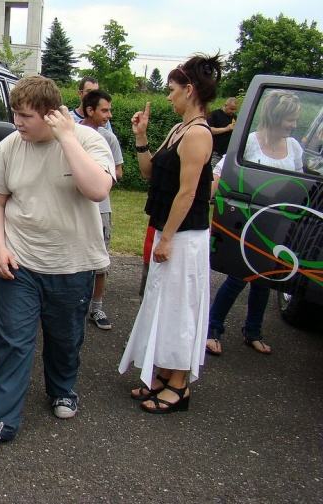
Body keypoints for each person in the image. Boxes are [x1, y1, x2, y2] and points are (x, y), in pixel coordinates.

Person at [0, 75, 115, 451]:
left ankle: (63, 389)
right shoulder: (10, 146)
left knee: (65, 339)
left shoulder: (88, 140)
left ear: (51, 115)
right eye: (15, 114)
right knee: (13, 344)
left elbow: (97, 189)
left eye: (26, 116)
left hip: (72, 265)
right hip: (21, 265)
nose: (17, 122)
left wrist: (67, 137)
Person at [118, 54, 221, 414]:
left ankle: (179, 386)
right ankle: (163, 374)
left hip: (184, 237)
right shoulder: (179, 129)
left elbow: (188, 193)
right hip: (169, 230)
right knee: (162, 303)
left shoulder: (197, 133)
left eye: (172, 90)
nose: (168, 97)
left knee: (178, 307)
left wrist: (166, 239)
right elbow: (150, 174)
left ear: (189, 90)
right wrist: (142, 137)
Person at [206, 90, 303, 356]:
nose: (294, 125)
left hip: (279, 227)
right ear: (275, 117)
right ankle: (213, 329)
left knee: (265, 281)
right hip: (250, 223)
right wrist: (206, 195)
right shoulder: (249, 143)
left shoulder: (294, 147)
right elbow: (220, 170)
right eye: (290, 120)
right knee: (240, 277)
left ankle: (253, 332)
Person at [79, 88, 123, 330]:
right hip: (74, 207)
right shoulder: (70, 134)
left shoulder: (109, 139)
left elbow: (118, 172)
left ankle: (96, 308)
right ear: (90, 110)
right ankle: (73, 305)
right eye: (104, 110)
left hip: (100, 209)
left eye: (110, 110)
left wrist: (98, 180)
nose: (109, 115)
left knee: (100, 259)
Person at [207, 96, 238, 167]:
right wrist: (225, 129)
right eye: (231, 109)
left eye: (235, 109)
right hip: (215, 152)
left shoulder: (234, 117)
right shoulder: (214, 114)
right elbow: (208, 130)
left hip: (228, 154)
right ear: (225, 105)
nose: (233, 111)